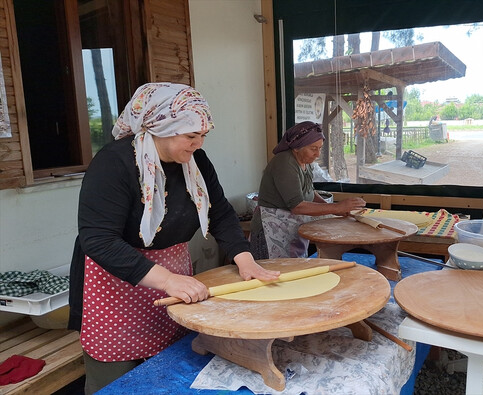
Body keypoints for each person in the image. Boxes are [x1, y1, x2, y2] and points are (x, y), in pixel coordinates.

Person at [67, 83, 280, 394]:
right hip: (116, 283)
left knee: (170, 368)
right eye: (191, 135)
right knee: (115, 383)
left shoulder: (196, 162)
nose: (199, 143)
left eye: (203, 135)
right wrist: (166, 280)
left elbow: (220, 213)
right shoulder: (115, 163)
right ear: (159, 127)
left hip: (174, 274)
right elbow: (98, 239)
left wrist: (244, 258)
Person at [250, 121, 366, 259]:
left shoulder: (306, 163)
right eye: (313, 148)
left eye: (320, 148)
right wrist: (336, 207)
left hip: (290, 226)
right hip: (271, 227)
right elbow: (297, 206)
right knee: (275, 272)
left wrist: (335, 209)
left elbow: (309, 193)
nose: (317, 154)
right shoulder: (285, 162)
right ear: (297, 147)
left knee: (294, 270)